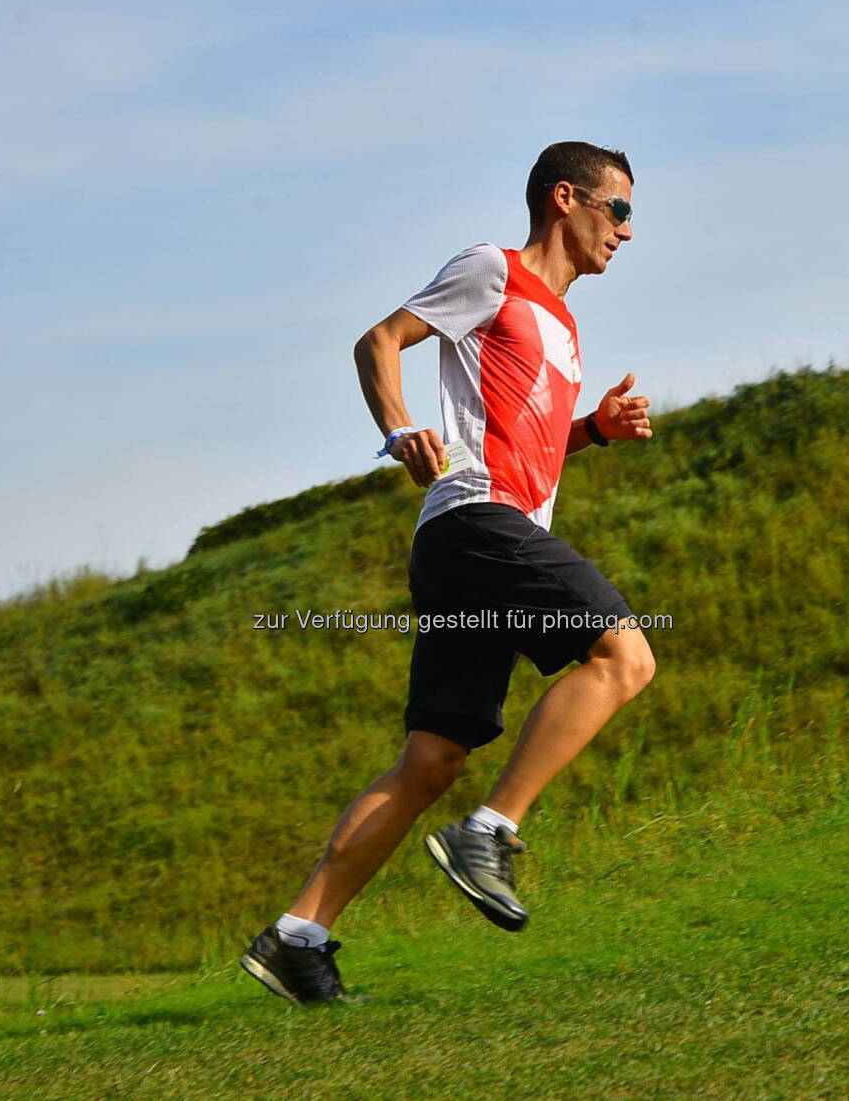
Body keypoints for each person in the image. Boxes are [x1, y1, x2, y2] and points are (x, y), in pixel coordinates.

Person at [241, 141, 656, 1004]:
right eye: (619, 208)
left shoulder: (564, 326)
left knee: (432, 758)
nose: (627, 229)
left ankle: (296, 937)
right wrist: (398, 429)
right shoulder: (493, 270)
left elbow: (526, 438)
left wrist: (593, 431)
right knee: (625, 656)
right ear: (566, 198)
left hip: (476, 538)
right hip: (476, 518)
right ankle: (490, 833)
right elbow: (380, 340)